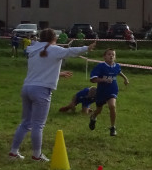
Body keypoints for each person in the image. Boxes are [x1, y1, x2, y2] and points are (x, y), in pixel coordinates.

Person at [9, 28, 96, 161]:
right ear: (54, 38)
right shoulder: (54, 49)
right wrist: (86, 48)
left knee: (26, 122)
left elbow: (40, 68)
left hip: (27, 88)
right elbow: (70, 52)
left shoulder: (33, 49)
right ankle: (36, 155)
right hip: (41, 91)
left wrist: (58, 74)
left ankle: (13, 152)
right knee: (38, 125)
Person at [88, 48, 130, 136]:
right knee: (99, 110)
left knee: (112, 105)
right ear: (104, 57)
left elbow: (119, 72)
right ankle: (93, 117)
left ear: (115, 57)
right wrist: (103, 80)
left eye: (113, 55)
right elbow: (92, 79)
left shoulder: (117, 66)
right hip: (102, 91)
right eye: (109, 54)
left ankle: (112, 127)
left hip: (113, 89)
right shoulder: (100, 66)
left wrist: (125, 78)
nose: (111, 56)